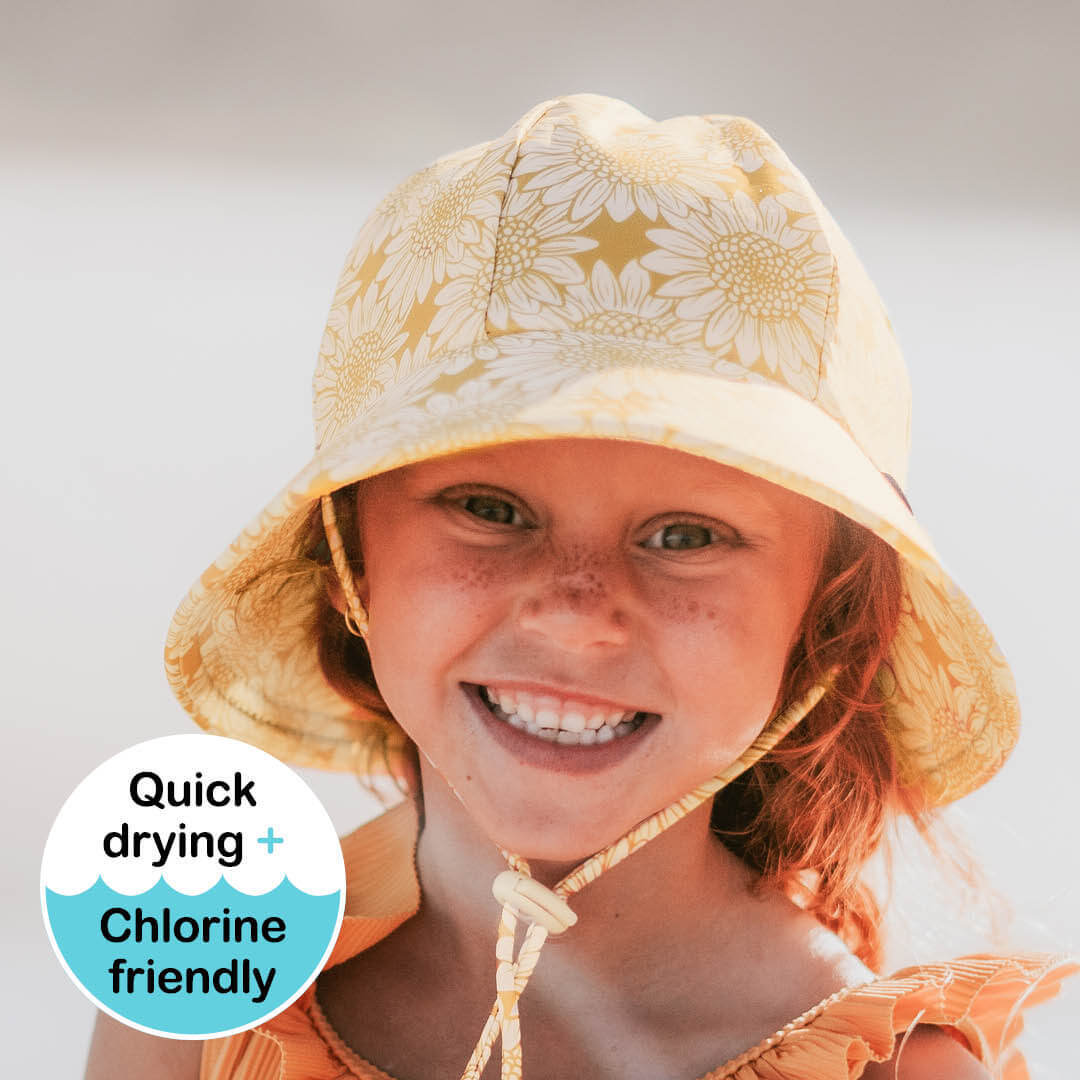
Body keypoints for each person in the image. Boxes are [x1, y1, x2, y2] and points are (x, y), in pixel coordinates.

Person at [87, 93, 1075, 1080]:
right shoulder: (203, 976)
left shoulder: (896, 1073)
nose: (573, 610)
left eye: (685, 536)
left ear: (823, 620)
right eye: (489, 508)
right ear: (350, 558)